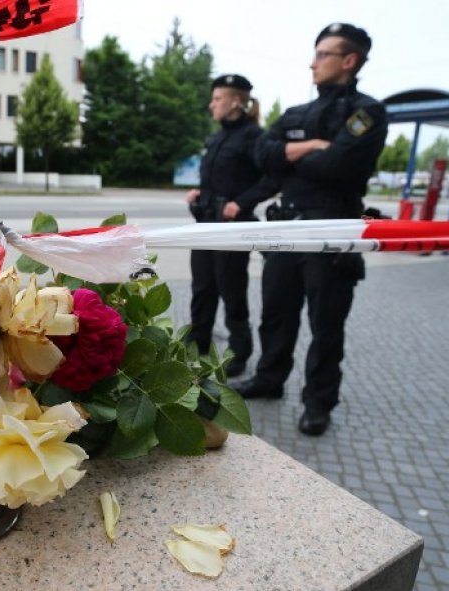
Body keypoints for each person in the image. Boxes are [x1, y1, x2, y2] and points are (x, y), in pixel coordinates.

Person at [235, 23, 388, 436]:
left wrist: (292, 156)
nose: (313, 63)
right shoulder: (295, 115)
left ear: (349, 60)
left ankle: (318, 402)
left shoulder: (366, 113)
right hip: (287, 229)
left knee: (326, 325)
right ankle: (270, 378)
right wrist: (311, 147)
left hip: (333, 231)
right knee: (276, 314)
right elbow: (263, 156)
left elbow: (341, 165)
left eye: (323, 55)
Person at [185, 74, 278, 377]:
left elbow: (272, 179)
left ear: (236, 101)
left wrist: (243, 202)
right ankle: (197, 342)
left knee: (232, 291)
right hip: (205, 223)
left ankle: (239, 351)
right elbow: (215, 177)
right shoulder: (215, 137)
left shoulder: (255, 137)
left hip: (232, 227)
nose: (211, 105)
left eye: (217, 99)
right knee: (202, 288)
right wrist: (199, 193)